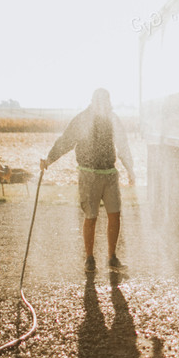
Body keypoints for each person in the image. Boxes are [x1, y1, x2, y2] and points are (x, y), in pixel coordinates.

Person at [41, 88, 136, 272]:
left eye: (106, 101)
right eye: (100, 100)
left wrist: (130, 169)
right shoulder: (82, 118)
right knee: (91, 217)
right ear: (93, 101)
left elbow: (123, 144)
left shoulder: (113, 118)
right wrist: (49, 159)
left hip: (110, 173)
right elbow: (66, 140)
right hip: (88, 174)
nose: (103, 104)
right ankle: (90, 259)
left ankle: (112, 258)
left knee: (115, 215)